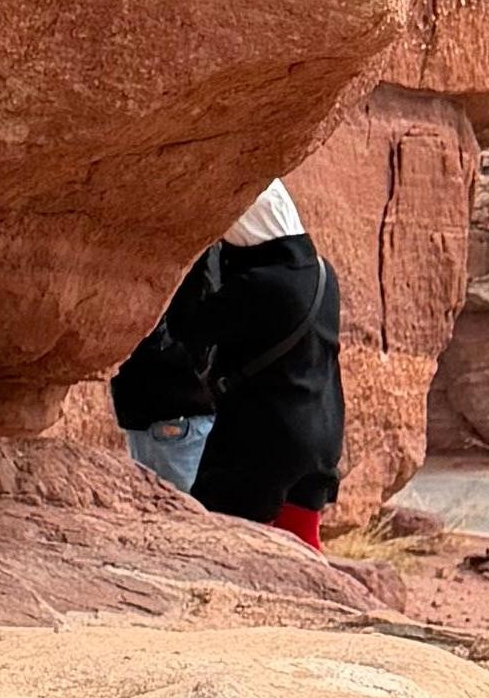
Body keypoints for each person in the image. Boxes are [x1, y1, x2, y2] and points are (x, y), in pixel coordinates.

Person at [110, 180, 345, 549]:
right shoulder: (322, 273)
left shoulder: (261, 284)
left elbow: (190, 327)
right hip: (322, 438)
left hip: (265, 442)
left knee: (220, 545)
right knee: (302, 548)